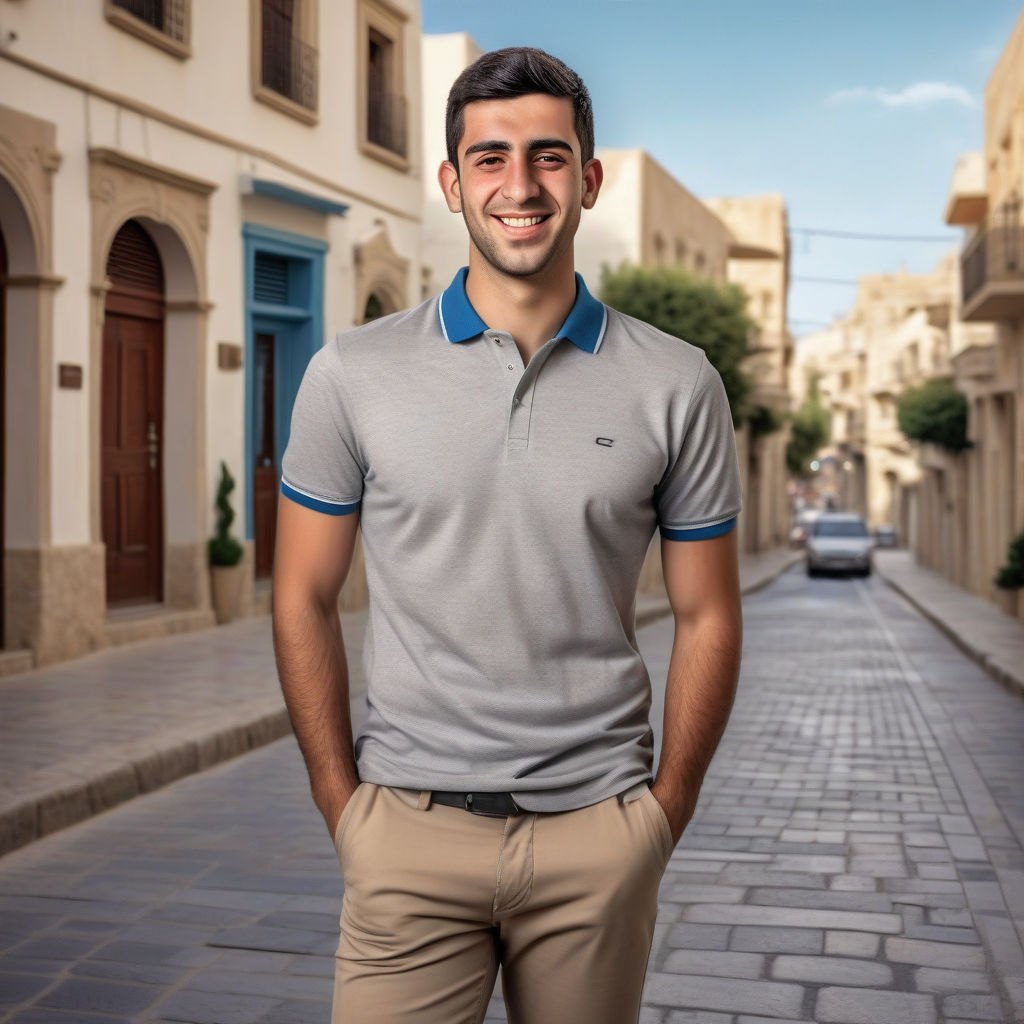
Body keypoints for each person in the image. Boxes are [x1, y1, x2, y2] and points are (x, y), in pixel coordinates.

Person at [272, 45, 743, 1024]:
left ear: (589, 179)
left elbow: (706, 612)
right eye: (488, 159)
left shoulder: (677, 380)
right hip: (406, 832)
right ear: (451, 183)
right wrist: (342, 804)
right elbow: (302, 596)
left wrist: (662, 814)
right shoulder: (349, 374)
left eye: (548, 156)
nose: (519, 186)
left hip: (597, 838)